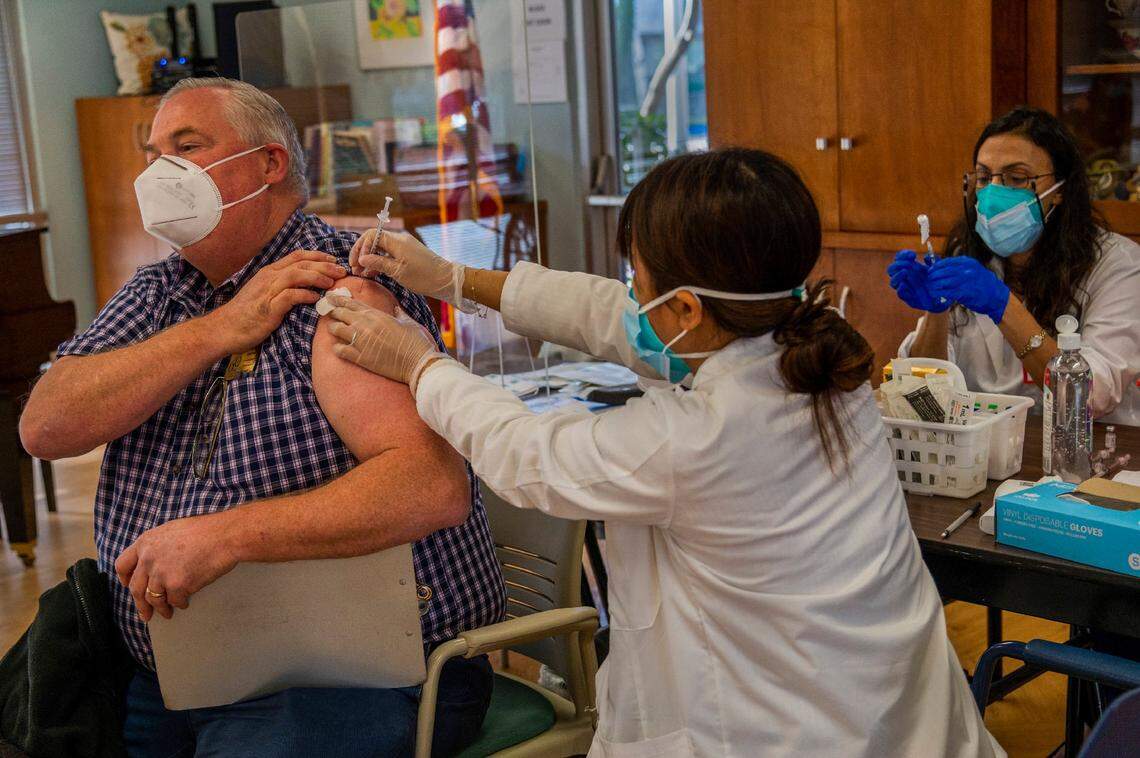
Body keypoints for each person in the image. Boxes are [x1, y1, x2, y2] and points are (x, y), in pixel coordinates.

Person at [326, 149, 1003, 757]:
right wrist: (453, 277)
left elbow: (526, 456)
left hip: (783, 729)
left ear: (686, 310)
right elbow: (609, 314)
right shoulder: (811, 343)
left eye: (638, 280)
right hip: (895, 707)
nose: (630, 296)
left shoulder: (697, 436)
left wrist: (420, 366)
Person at [18, 77, 505, 757]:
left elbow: (429, 485)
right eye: (154, 154)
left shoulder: (339, 291)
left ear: (269, 163)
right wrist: (223, 327)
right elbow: (45, 427)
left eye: (188, 147)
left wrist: (225, 537)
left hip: (347, 676)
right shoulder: (163, 291)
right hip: (177, 669)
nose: (161, 174)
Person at [889, 106, 1140, 424]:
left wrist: (1004, 305)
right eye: (984, 178)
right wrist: (936, 313)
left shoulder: (1117, 265)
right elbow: (923, 395)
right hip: (987, 446)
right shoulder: (970, 258)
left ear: (1060, 190)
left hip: (1088, 447)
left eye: (1017, 178)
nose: (994, 193)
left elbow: (1090, 396)